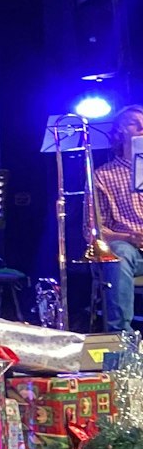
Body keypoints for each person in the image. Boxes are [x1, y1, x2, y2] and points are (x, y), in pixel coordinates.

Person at [90, 105, 143, 331]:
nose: (142, 128)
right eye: (135, 123)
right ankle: (120, 339)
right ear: (119, 131)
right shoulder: (103, 175)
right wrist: (130, 237)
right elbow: (94, 231)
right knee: (118, 253)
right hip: (130, 250)